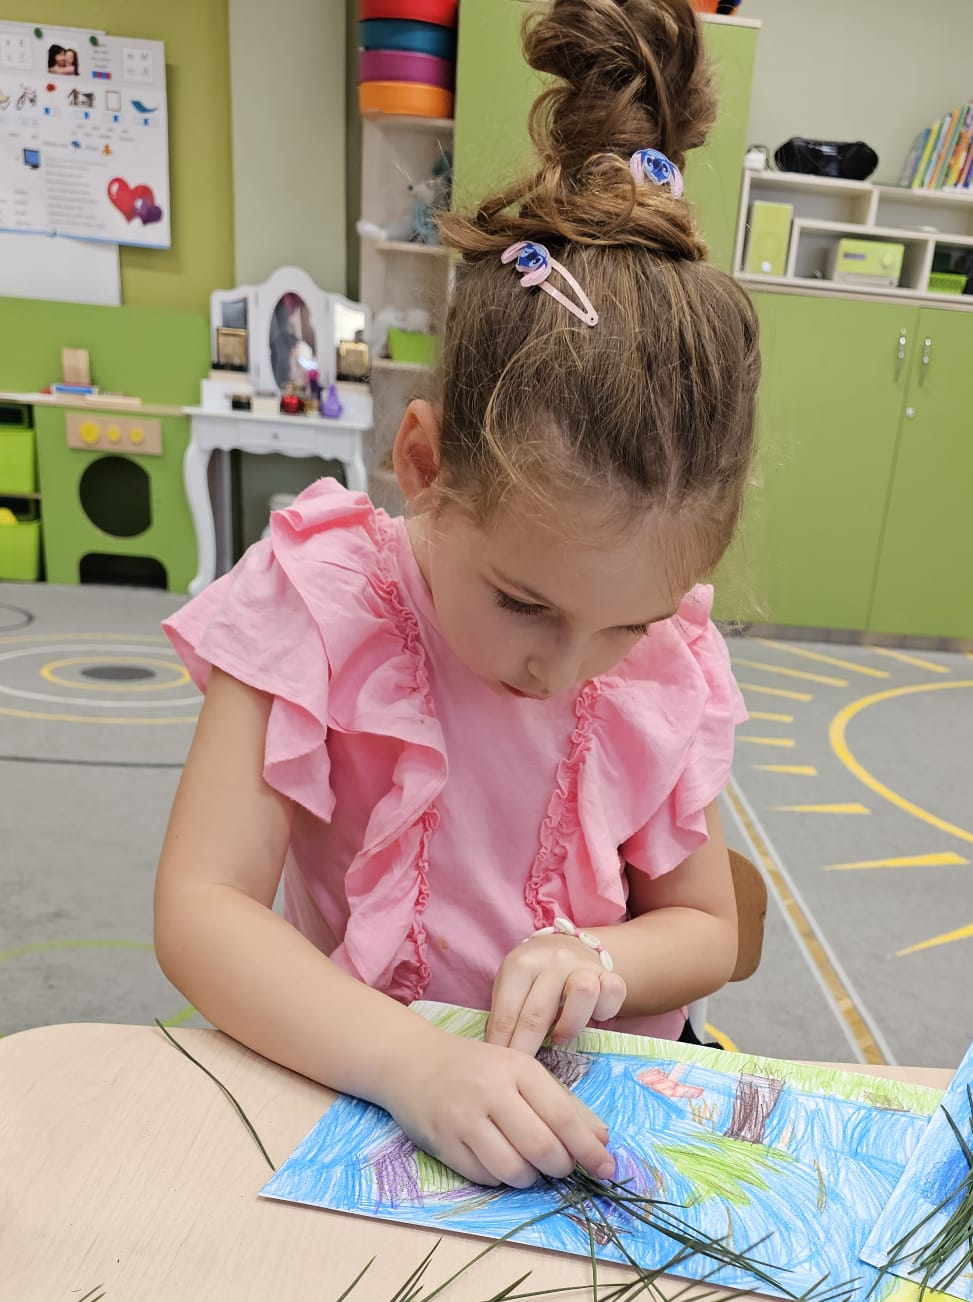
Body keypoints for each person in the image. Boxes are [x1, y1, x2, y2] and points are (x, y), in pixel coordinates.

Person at [155, 0, 760, 1192]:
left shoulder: (665, 657)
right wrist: (415, 1064)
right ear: (424, 466)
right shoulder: (317, 597)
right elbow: (202, 905)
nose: (563, 669)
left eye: (627, 623)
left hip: (592, 1099)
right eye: (526, 603)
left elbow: (708, 926)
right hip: (370, 1079)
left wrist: (600, 959)